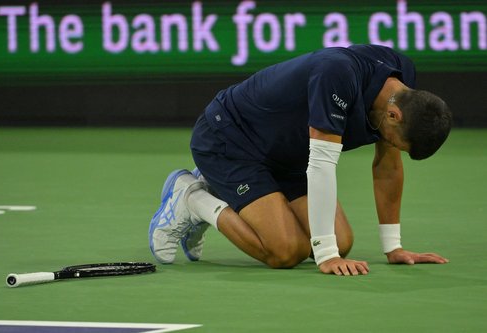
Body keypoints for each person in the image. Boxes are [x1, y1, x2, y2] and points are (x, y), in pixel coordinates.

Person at [148, 44, 452, 276]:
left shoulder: (403, 88)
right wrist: (326, 254)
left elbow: (387, 168)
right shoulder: (337, 74)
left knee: (341, 241)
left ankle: (219, 190)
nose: (388, 146)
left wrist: (393, 247)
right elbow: (320, 165)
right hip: (230, 138)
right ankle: (192, 198)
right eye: (393, 141)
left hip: (286, 153)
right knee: (285, 251)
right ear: (394, 114)